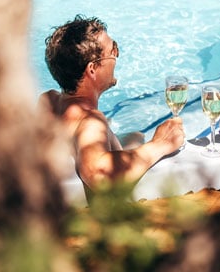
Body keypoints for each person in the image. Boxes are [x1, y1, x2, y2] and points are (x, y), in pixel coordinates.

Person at [39, 15, 184, 191]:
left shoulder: (48, 101)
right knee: (138, 139)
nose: (116, 56)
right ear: (92, 69)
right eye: (112, 51)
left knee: (136, 136)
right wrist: (161, 144)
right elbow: (98, 175)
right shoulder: (90, 121)